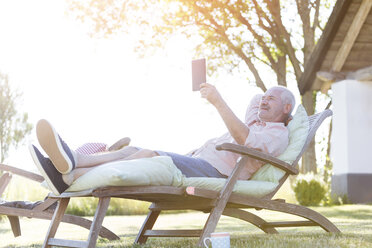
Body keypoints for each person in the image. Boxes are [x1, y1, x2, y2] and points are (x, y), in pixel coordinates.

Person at [29, 83, 295, 195]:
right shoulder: (255, 119)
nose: (264, 100)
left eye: (272, 98)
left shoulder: (276, 134)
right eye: (265, 96)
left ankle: (71, 177)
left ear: (286, 109)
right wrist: (267, 98)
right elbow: (254, 101)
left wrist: (217, 100)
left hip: (219, 173)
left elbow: (244, 139)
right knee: (134, 149)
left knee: (150, 155)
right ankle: (74, 160)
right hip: (198, 160)